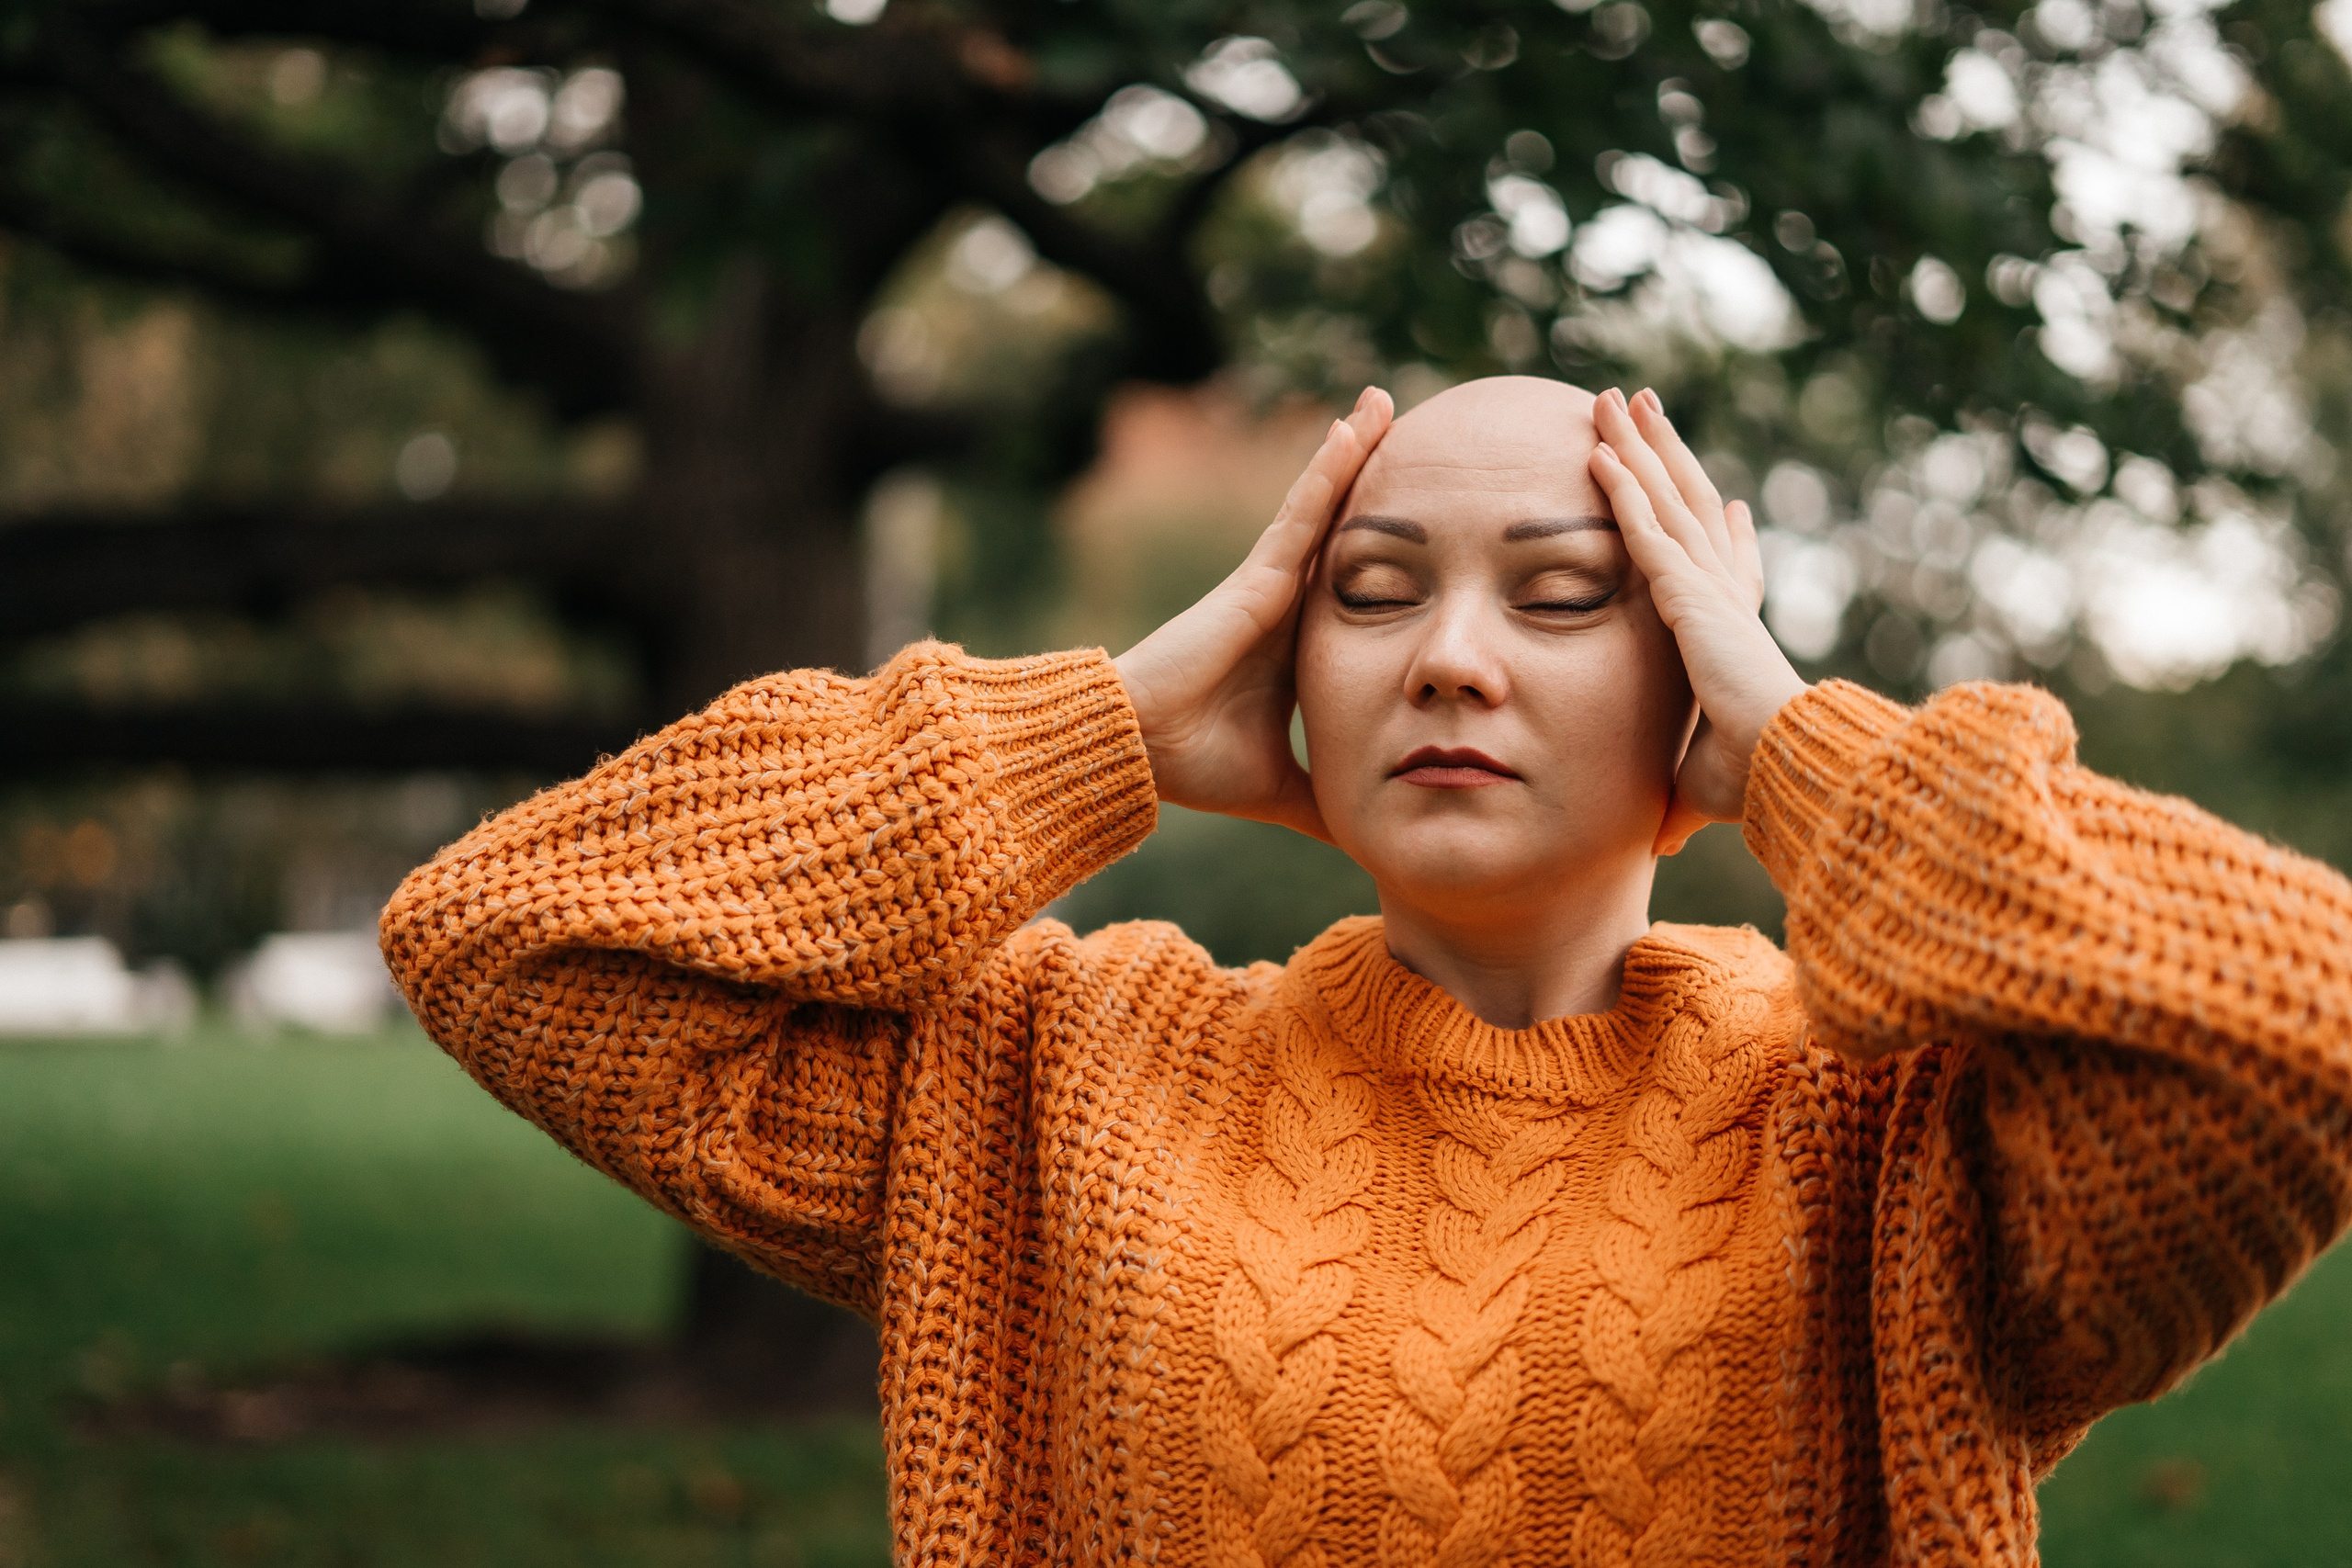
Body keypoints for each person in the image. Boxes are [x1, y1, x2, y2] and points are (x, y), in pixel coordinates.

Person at [381, 377, 2352, 1568]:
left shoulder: (1890, 1132)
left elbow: (2297, 1022)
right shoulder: (1059, 1073)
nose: (1449, 659)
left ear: (1688, 671)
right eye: (1369, 590)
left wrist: (1800, 752)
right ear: (1289, 669)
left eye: (1564, 595)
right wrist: (1110, 725)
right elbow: (510, 931)